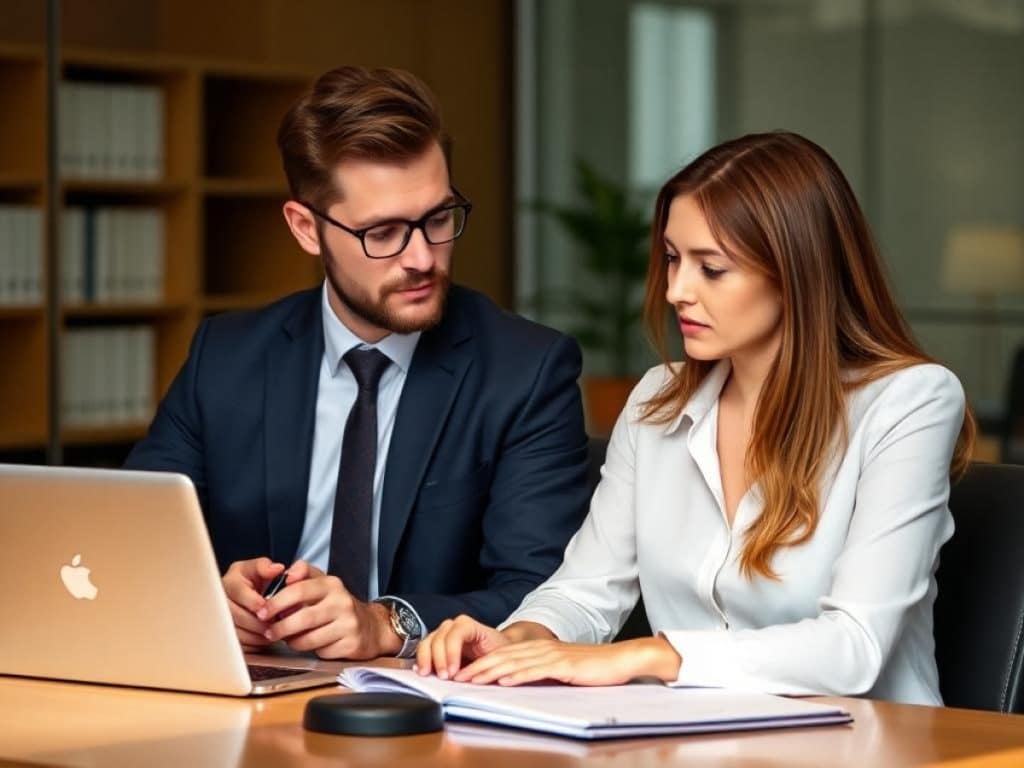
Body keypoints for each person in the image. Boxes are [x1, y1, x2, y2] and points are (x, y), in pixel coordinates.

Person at [415, 131, 975, 706]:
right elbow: (584, 590)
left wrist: (646, 656)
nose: (677, 291)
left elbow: (855, 646)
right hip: (698, 736)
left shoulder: (909, 402)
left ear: (796, 273)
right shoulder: (657, 400)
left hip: (874, 739)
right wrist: (517, 641)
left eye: (712, 268)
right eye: (673, 259)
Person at [124, 65, 591, 660]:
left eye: (438, 219)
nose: (422, 258)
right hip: (249, 681)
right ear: (306, 229)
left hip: (420, 695)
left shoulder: (525, 371)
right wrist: (213, 598)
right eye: (384, 233)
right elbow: (134, 543)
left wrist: (386, 623)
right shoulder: (226, 356)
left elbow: (544, 597)